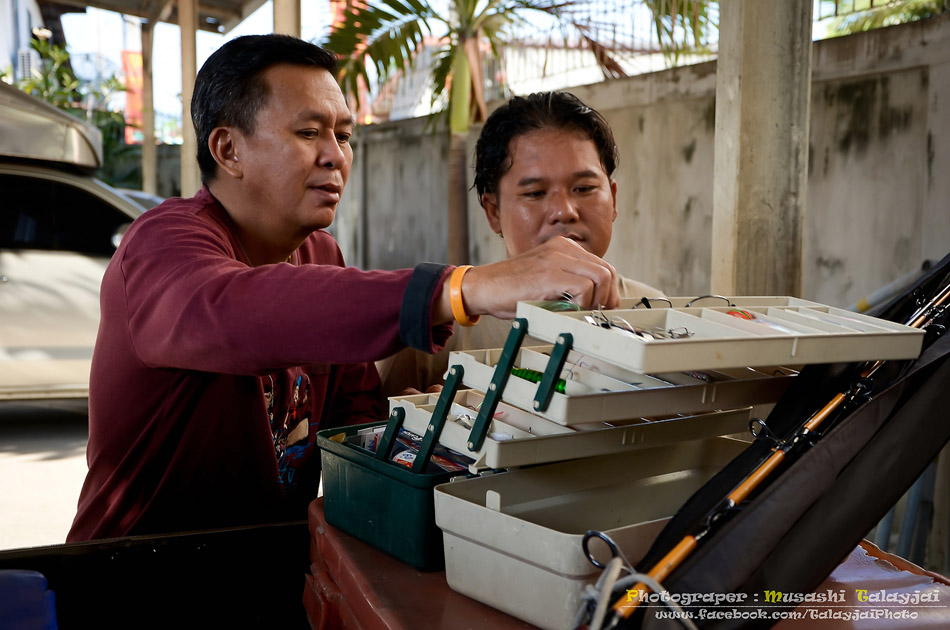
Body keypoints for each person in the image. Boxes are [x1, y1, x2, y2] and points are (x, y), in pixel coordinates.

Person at [67, 36, 621, 541]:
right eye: (309, 133)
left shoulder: (320, 252)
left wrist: (437, 426)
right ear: (228, 150)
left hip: (275, 570)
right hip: (136, 579)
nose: (335, 154)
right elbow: (239, 311)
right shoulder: (162, 246)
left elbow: (357, 420)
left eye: (344, 134)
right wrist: (461, 287)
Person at [377, 91, 663, 397]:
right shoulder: (440, 328)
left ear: (614, 199)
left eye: (584, 188)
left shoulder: (657, 314)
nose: (565, 210)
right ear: (494, 211)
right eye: (535, 193)